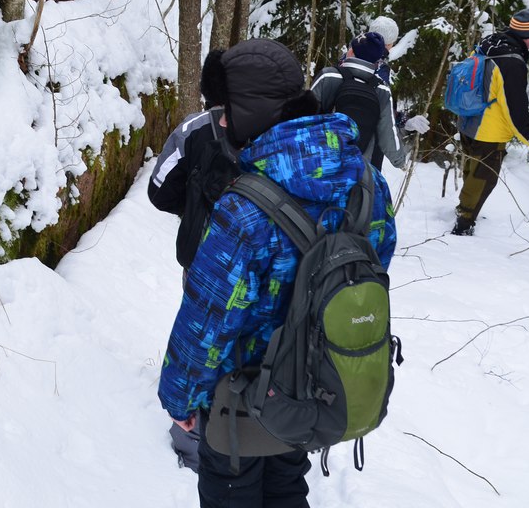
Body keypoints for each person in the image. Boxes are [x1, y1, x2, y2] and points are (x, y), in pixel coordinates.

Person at [157, 38, 397, 508]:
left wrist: (180, 400)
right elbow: (376, 263)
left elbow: (207, 319)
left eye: (226, 110)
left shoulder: (244, 208)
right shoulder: (369, 183)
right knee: (287, 488)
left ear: (253, 110)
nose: (221, 121)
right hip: (313, 386)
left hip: (239, 403)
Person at [147, 48, 240, 471]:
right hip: (259, 262)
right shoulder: (276, 128)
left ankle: (194, 440)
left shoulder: (194, 129)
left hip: (202, 254)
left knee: (200, 338)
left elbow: (159, 188)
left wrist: (192, 207)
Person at [452, 8, 529, 236]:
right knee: (483, 179)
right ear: (527, 36)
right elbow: (515, 110)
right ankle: (463, 224)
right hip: (488, 130)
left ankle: (465, 209)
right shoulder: (511, 62)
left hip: (469, 119)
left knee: (472, 172)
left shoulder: (491, 44)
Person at [314, 31, 424, 171]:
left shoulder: (329, 75)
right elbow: (387, 131)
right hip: (359, 167)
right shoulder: (382, 89)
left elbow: (303, 112)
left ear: (352, 52)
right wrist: (400, 161)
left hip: (319, 158)